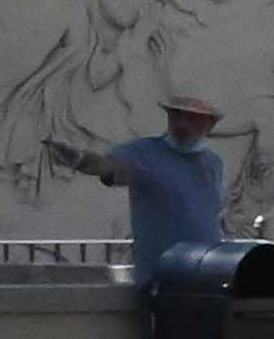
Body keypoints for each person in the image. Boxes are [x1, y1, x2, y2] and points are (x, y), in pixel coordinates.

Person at [46, 92, 232, 275]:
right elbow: (106, 166)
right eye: (176, 116)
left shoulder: (212, 162)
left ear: (209, 125)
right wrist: (79, 160)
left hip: (206, 270)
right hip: (162, 272)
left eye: (192, 119)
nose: (182, 124)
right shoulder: (144, 152)